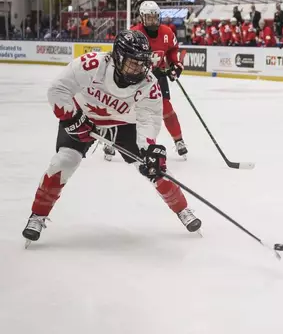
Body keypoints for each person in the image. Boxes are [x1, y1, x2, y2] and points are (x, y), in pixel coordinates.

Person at [22, 30, 202, 246]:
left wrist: (149, 149)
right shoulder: (91, 65)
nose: (139, 68)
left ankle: (182, 209)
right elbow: (57, 90)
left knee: (154, 167)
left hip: (123, 124)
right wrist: (72, 119)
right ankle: (37, 216)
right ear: (117, 57)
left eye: (143, 62)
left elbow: (149, 120)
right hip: (83, 118)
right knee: (63, 161)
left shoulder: (149, 84)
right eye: (132, 62)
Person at [129, 1, 188, 159]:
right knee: (125, 109)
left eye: (155, 17)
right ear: (142, 18)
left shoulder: (167, 32)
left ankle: (179, 141)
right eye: (148, 18)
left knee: (166, 109)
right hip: (136, 78)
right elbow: (126, 57)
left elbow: (173, 51)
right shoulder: (134, 34)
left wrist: (176, 65)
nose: (152, 21)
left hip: (158, 78)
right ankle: (112, 141)